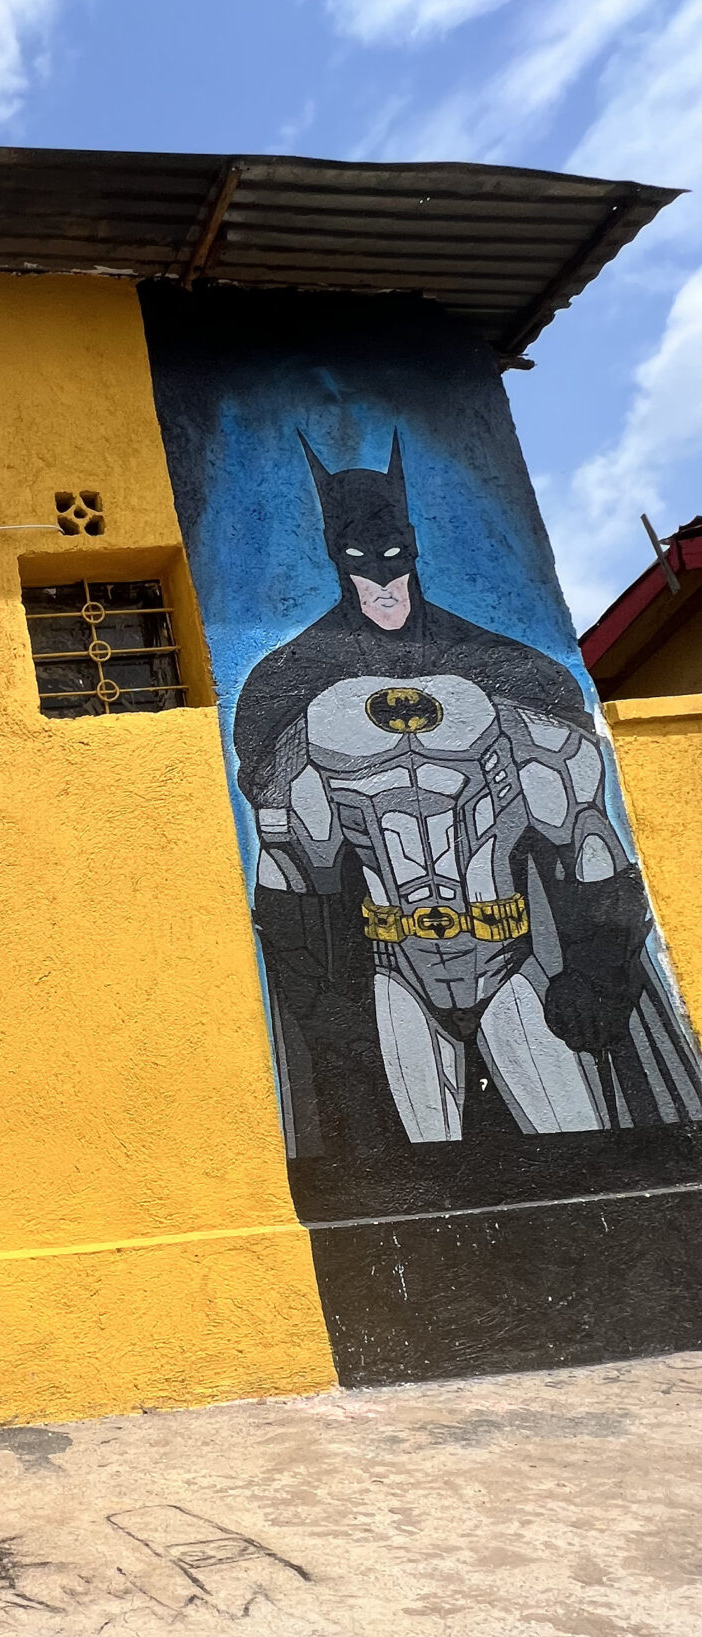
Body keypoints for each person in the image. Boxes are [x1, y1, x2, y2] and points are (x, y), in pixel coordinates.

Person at [238, 429, 702, 1156]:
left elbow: (584, 834)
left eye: (395, 558)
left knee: (584, 1157)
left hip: (510, 961)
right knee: (430, 1178)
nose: (382, 581)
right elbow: (290, 866)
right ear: (337, 560)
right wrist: (325, 1010)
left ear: (415, 550)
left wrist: (599, 970)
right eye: (361, 563)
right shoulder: (291, 689)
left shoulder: (512, 677)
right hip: (395, 976)